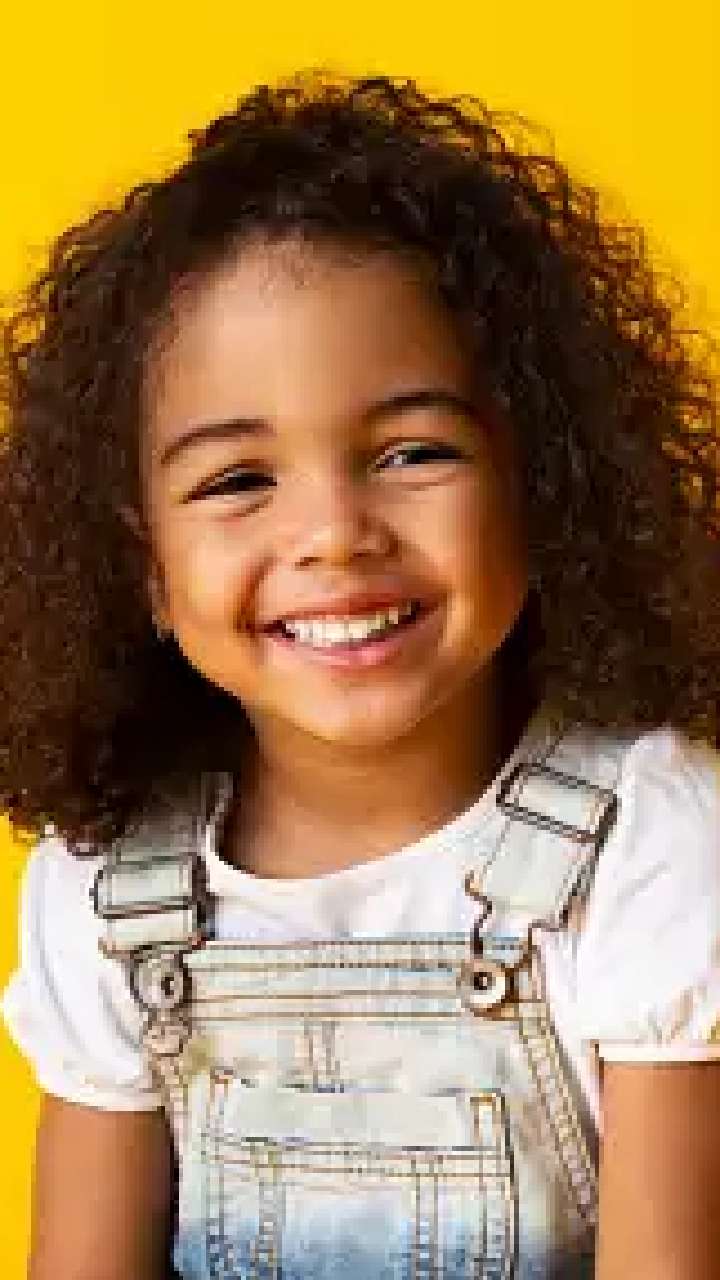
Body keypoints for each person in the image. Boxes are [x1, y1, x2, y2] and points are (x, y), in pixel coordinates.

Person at [1, 71, 719, 1280]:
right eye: (239, 479)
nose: (335, 534)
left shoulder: (646, 841)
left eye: (413, 451)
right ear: (142, 564)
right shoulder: (108, 889)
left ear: (540, 479)